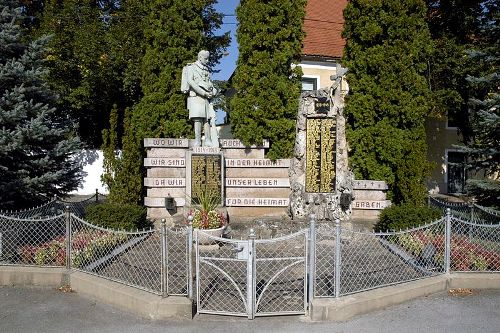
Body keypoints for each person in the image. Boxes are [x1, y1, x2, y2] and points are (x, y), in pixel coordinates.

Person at [181, 50, 219, 147]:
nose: (207, 60)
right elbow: (191, 82)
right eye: (206, 58)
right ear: (200, 57)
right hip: (196, 96)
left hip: (205, 98)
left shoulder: (206, 69)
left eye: (208, 58)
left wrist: (213, 90)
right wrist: (204, 93)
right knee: (198, 119)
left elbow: (209, 82)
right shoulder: (191, 67)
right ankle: (197, 140)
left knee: (206, 119)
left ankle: (208, 140)